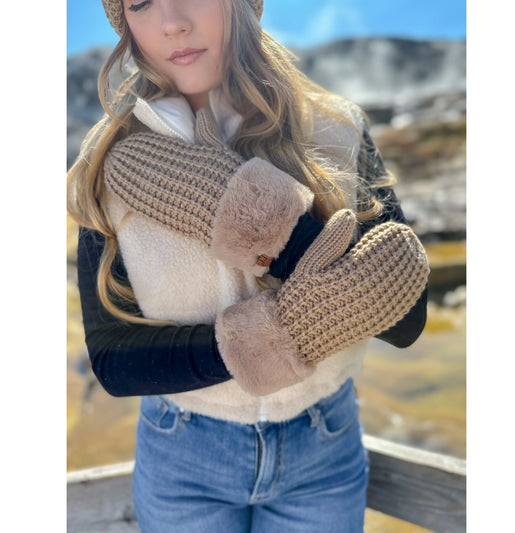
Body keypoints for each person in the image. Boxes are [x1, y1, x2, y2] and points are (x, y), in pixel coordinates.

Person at [67, 1, 430, 531]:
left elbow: (409, 318)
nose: (173, 22)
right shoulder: (111, 161)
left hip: (324, 450)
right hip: (182, 455)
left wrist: (248, 213)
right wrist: (275, 339)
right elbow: (114, 361)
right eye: (140, 1)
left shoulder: (338, 129)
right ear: (126, 25)